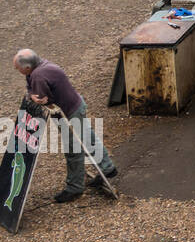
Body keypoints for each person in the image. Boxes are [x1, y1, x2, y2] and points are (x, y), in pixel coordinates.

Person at [12, 49, 117, 202]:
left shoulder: (38, 76)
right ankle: (107, 167)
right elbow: (33, 90)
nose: (16, 70)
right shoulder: (43, 65)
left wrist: (31, 97)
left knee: (73, 150)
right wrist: (31, 94)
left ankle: (75, 188)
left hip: (68, 113)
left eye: (17, 67)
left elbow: (42, 99)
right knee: (87, 137)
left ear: (28, 67)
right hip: (76, 104)